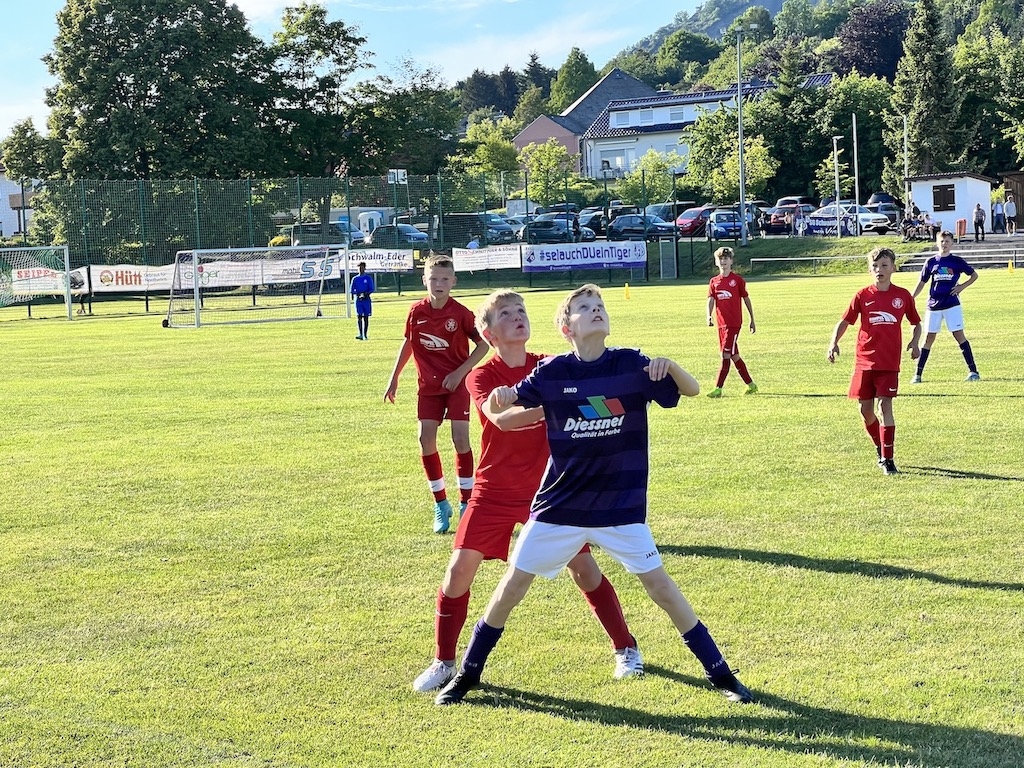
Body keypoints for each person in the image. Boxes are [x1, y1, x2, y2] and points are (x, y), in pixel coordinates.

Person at [434, 284, 754, 706]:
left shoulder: (631, 363)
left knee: (662, 588)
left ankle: (721, 674)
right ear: (567, 328)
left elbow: (691, 390)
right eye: (584, 307)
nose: (596, 310)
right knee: (511, 588)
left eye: (600, 305)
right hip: (559, 507)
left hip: (620, 508)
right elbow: (503, 412)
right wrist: (501, 398)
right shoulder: (553, 372)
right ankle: (467, 674)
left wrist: (671, 366)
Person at [412, 290, 643, 694]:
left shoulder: (550, 366)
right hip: (494, 491)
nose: (518, 316)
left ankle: (626, 648)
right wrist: (561, 405)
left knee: (585, 570)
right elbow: (502, 419)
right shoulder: (481, 376)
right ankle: (444, 662)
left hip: (550, 492)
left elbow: (593, 391)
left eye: (521, 310)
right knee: (457, 573)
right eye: (505, 314)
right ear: (488, 334)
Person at [385, 255, 490, 533]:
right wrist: (394, 377)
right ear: (424, 280)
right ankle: (440, 503)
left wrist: (460, 373)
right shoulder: (416, 312)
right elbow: (409, 343)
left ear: (454, 281)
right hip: (428, 387)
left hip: (456, 386)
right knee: (425, 439)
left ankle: (467, 503)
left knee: (460, 439)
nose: (439, 283)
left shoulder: (461, 313)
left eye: (445, 279)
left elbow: (483, 345)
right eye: (434, 278)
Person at [828, 247, 922, 475]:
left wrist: (915, 342)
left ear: (893, 268)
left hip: (888, 362)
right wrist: (833, 342)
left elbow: (916, 323)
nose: (879, 270)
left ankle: (888, 459)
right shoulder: (862, 295)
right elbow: (845, 321)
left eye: (884, 265)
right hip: (864, 361)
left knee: (885, 406)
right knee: (865, 411)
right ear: (870, 269)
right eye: (875, 266)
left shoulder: (903, 296)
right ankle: (880, 447)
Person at [910, 230, 980, 383]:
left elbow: (974, 275)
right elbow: (922, 282)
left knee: (959, 335)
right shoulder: (931, 262)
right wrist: (911, 298)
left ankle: (973, 371)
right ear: (937, 243)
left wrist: (961, 287)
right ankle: (918, 375)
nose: (944, 244)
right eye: (941, 241)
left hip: (952, 305)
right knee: (928, 338)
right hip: (933, 306)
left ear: (952, 243)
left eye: (947, 241)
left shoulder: (956, 261)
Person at [706, 247, 757, 398]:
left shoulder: (737, 281)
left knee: (725, 354)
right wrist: (708, 316)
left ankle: (718, 388)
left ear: (731, 261)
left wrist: (752, 319)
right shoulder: (714, 282)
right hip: (721, 325)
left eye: (726, 258)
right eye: (720, 259)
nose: (723, 261)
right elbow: (710, 300)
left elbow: (746, 299)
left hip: (733, 324)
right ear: (716, 262)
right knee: (734, 356)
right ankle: (751, 385)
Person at [350, 261, 374, 340]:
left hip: (366, 300)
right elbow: (352, 289)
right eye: (359, 267)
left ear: (365, 268)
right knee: (359, 316)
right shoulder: (355, 279)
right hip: (358, 300)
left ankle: (365, 335)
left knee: (366, 317)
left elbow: (371, 289)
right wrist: (357, 294)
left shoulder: (368, 278)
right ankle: (360, 334)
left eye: (362, 267)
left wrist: (366, 294)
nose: (360, 269)